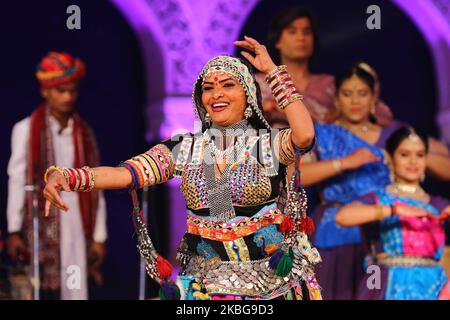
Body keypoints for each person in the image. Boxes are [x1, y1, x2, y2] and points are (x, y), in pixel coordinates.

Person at [43, 37, 323, 300]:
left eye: (228, 85)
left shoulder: (268, 144)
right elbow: (127, 174)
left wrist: (274, 72)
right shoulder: (188, 150)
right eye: (208, 88)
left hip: (272, 284)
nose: (216, 94)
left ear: (248, 94)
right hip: (209, 286)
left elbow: (304, 137)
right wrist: (69, 177)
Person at [6, 51, 107, 300]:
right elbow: (18, 180)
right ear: (45, 91)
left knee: (76, 289)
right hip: (39, 222)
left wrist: (98, 237)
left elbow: (97, 185)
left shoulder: (85, 133)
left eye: (72, 91)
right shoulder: (26, 129)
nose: (68, 97)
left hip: (77, 222)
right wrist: (13, 230)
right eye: (61, 91)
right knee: (38, 289)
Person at [299, 63, 398, 300]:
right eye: (347, 93)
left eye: (362, 94)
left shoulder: (395, 135)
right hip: (335, 231)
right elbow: (299, 175)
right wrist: (344, 163)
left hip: (381, 232)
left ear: (374, 96)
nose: (355, 101)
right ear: (337, 98)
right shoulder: (321, 134)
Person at [336, 127, 450, 300]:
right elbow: (342, 217)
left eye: (419, 155)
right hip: (388, 283)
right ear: (390, 157)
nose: (413, 161)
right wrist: (395, 209)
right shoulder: (380, 198)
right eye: (404, 154)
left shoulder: (438, 204)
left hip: (434, 286)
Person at [256, 6, 393, 127]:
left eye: (307, 32)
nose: (301, 38)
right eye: (292, 32)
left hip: (330, 152)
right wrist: (268, 109)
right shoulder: (259, 84)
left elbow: (384, 117)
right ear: (277, 41)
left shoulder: (330, 85)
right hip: (274, 152)